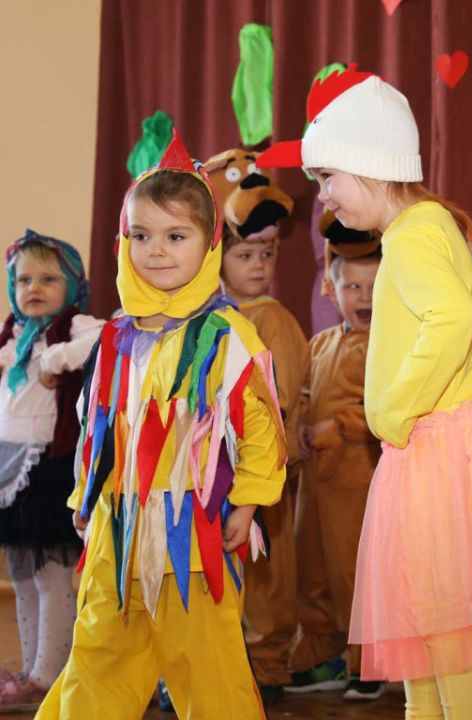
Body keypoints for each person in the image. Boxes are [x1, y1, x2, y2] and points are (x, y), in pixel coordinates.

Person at [258, 65, 472, 720]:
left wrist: (391, 409)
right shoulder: (418, 229)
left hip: (440, 443)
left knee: (443, 620)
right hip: (439, 442)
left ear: (370, 162)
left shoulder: (416, 233)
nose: (324, 197)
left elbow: (450, 319)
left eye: (328, 177)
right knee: (427, 616)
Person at [36, 130, 287, 720]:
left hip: (193, 538)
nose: (156, 251)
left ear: (210, 242)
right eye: (141, 235)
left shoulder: (228, 336)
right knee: (98, 659)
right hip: (118, 534)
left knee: (209, 669)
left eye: (176, 236)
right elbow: (96, 425)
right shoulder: (115, 337)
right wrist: (86, 496)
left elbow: (261, 428)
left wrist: (248, 502)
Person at [0, 231, 102, 712]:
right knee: (21, 574)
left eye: (47, 279)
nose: (33, 288)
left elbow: (109, 336)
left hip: (49, 466)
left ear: (73, 285)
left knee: (51, 575)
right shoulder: (12, 337)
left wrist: (56, 359)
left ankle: (50, 675)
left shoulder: (73, 328)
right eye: (23, 280)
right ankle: (31, 669)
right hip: (11, 467)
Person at [287, 239, 385, 701]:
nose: (364, 297)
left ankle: (368, 664)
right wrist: (301, 426)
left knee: (353, 572)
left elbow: (383, 409)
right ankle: (321, 656)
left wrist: (336, 427)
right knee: (313, 570)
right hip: (315, 483)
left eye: (375, 286)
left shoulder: (386, 345)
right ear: (331, 288)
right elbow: (304, 393)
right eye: (353, 287)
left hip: (357, 480)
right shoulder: (321, 343)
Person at [220, 226, 308, 702]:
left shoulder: (270, 316)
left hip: (261, 463)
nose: (258, 264)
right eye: (245, 255)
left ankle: (267, 665)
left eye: (266, 254)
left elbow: (281, 394)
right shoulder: (218, 314)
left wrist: (254, 450)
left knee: (266, 568)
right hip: (220, 465)